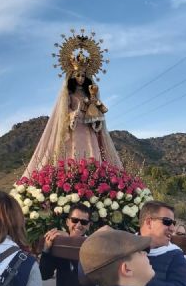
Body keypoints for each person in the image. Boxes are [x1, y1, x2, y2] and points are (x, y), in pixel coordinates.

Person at [22, 32, 121, 177]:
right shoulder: (69, 93)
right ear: (73, 76)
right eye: (78, 75)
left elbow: (95, 110)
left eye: (83, 75)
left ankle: (93, 179)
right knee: (73, 155)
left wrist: (96, 120)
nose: (80, 78)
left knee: (93, 155)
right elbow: (64, 110)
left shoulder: (90, 94)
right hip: (74, 128)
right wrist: (73, 114)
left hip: (89, 128)